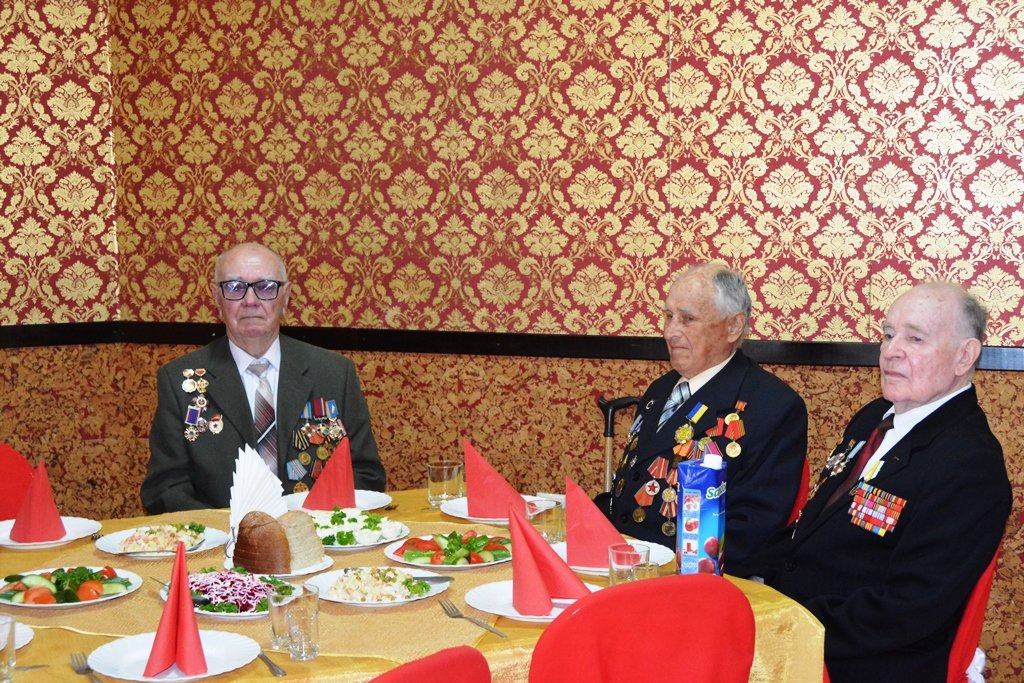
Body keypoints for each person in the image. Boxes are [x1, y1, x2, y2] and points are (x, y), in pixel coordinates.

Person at [760, 282, 1011, 683]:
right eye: (889, 334)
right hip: (797, 621)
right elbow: (812, 527)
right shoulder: (875, 417)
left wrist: (783, 624)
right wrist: (745, 579)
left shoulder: (969, 465)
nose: (891, 351)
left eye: (915, 338)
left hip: (862, 661)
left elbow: (907, 611)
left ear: (964, 356)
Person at [596, 263, 808, 576]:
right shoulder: (660, 389)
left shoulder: (772, 405)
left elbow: (752, 532)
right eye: (668, 316)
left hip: (699, 577)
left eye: (687, 319)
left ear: (733, 327)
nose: (670, 332)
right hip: (630, 564)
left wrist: (657, 562)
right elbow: (631, 490)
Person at [142, 243, 386, 513]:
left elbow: (366, 476)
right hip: (225, 536)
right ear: (217, 299)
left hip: (316, 532)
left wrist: (317, 524)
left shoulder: (334, 373)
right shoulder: (180, 382)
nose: (250, 301)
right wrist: (232, 528)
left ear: (286, 297)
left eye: (266, 287)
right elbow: (165, 490)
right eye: (234, 287)